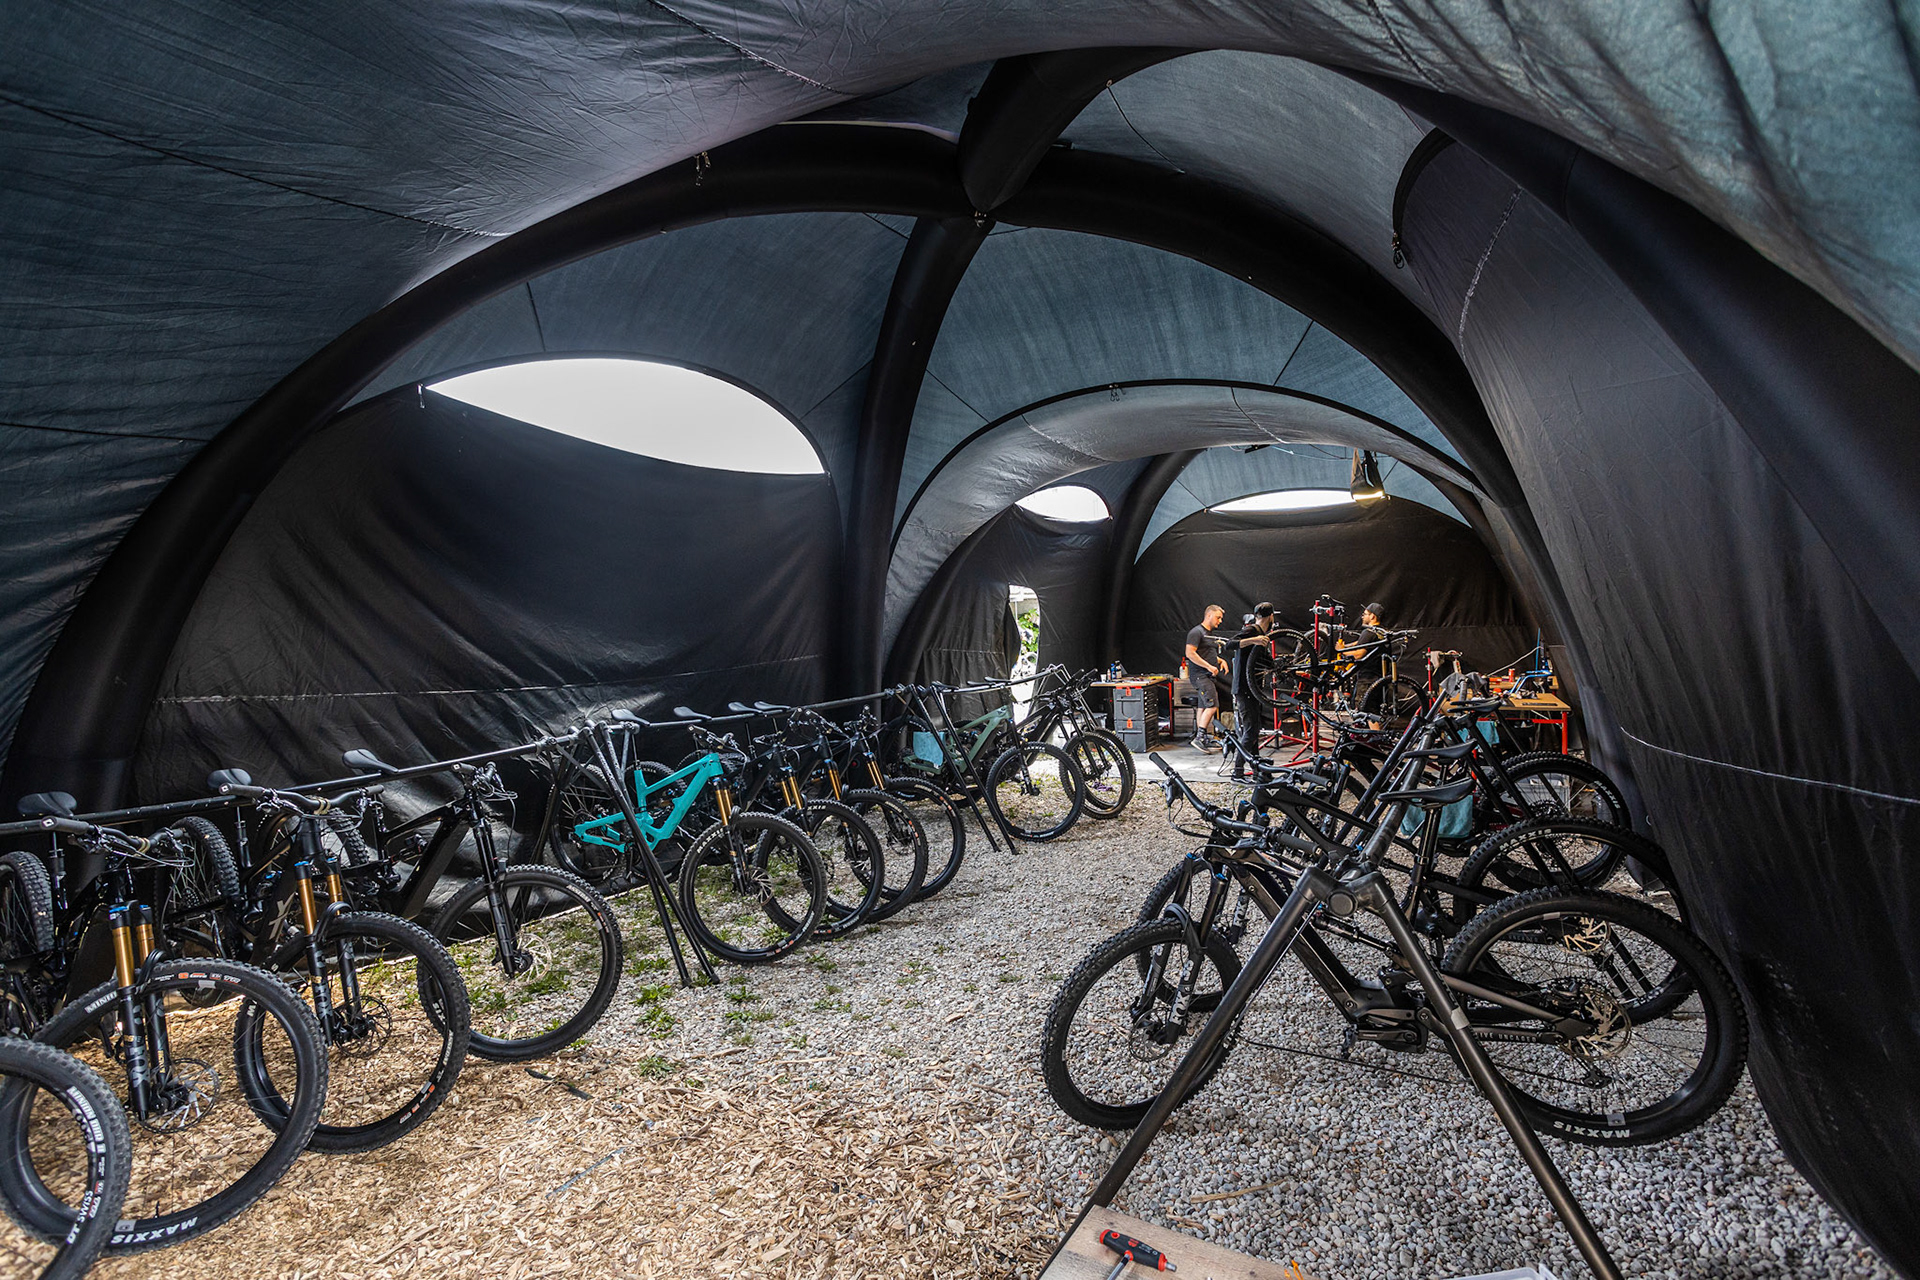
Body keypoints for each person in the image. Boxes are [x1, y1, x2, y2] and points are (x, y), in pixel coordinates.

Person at [1227, 602, 1278, 777]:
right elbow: (1229, 644)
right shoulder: (1252, 631)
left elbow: (1267, 662)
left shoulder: (1262, 635)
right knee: (1250, 731)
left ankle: (1257, 769)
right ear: (1271, 617)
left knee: (1254, 729)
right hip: (1244, 688)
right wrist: (1253, 640)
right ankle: (1237, 770)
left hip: (1253, 689)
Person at [1184, 604, 1227, 750]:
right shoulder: (1196, 632)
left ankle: (1202, 737)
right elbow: (1190, 653)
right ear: (1209, 615)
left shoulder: (1209, 634)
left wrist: (1220, 661)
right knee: (1212, 706)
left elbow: (1206, 653)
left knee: (1202, 706)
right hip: (1200, 676)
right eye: (1218, 617)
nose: (1220, 621)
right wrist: (1209, 667)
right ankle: (1199, 738)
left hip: (1206, 676)